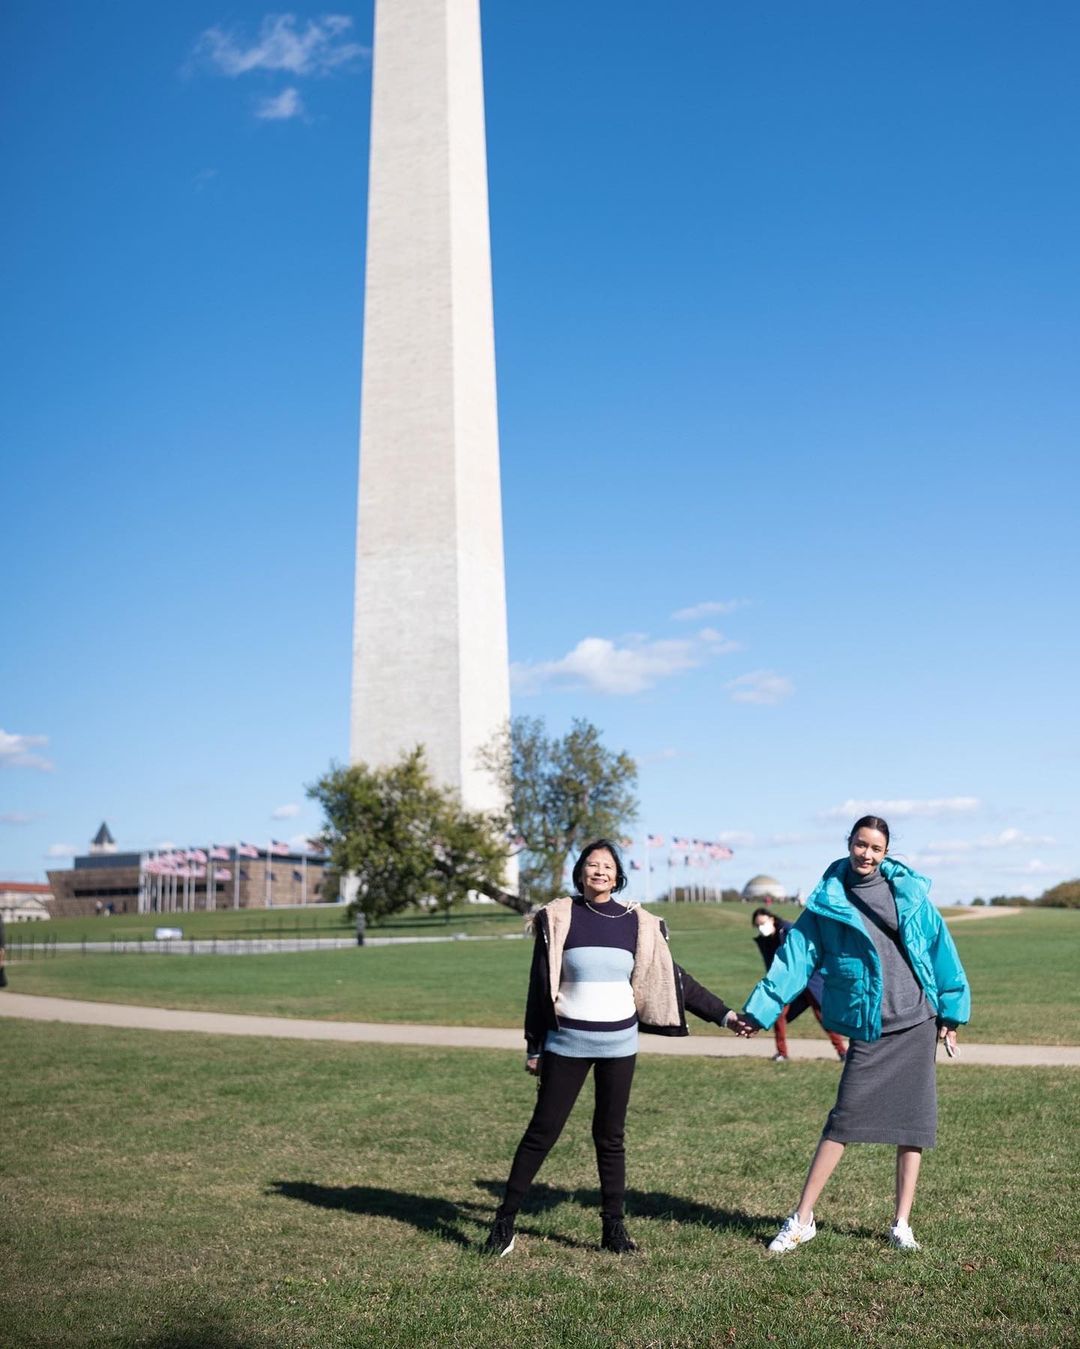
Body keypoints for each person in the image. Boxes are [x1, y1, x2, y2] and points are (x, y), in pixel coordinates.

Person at [483, 839, 754, 1258]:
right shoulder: (558, 918)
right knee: (542, 1132)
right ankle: (504, 1222)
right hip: (566, 1044)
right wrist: (534, 1046)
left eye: (607, 866)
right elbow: (539, 987)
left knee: (610, 1137)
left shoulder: (637, 923)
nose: (600, 871)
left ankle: (613, 1227)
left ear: (617, 874)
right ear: (580, 873)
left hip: (619, 1046)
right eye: (592, 865)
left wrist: (724, 1015)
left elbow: (675, 979)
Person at [743, 815, 970, 1254]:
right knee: (843, 1121)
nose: (867, 854)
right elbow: (795, 959)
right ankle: (802, 1218)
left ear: (886, 853)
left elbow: (941, 950)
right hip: (871, 1024)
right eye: (861, 845)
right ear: (849, 844)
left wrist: (951, 1014)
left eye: (876, 848)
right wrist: (761, 1011)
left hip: (916, 1020)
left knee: (913, 1125)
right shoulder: (828, 901)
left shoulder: (910, 894)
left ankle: (901, 1223)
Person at [751, 909, 847, 1063]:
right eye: (758, 925)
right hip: (787, 984)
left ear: (771, 918)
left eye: (762, 923)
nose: (761, 927)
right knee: (779, 1015)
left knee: (822, 1015)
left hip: (808, 980)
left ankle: (843, 1051)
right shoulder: (766, 940)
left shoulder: (790, 929)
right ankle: (782, 1053)